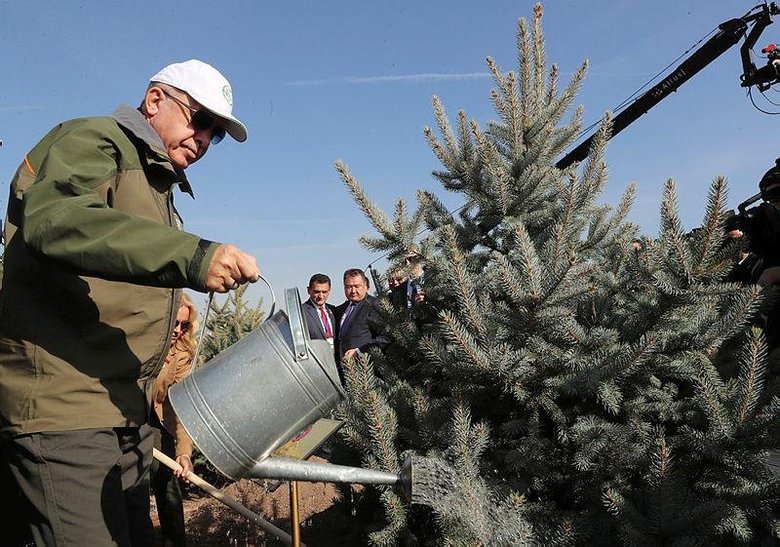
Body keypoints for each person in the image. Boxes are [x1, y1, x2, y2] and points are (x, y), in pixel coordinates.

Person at [0, 59, 260, 546]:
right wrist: (193, 256)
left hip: (124, 412)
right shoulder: (94, 141)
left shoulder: (156, 181)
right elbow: (56, 218)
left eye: (216, 134)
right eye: (199, 119)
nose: (204, 139)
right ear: (156, 99)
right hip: (67, 410)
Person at [150, 293, 198, 547]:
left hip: (158, 420)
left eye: (184, 325)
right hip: (125, 419)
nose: (178, 330)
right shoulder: (142, 342)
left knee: (168, 486)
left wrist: (184, 453)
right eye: (174, 324)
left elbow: (182, 405)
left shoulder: (182, 354)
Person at [335, 268, 389, 362]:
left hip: (366, 367)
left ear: (366, 286)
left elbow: (385, 337)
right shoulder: (340, 309)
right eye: (348, 287)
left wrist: (359, 351)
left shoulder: (374, 306)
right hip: (343, 367)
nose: (353, 291)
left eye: (357, 286)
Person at [302, 273, 338, 355]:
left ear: (329, 291)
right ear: (308, 290)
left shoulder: (333, 310)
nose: (321, 296)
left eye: (324, 292)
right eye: (317, 292)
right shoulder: (301, 311)